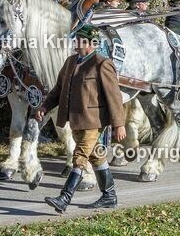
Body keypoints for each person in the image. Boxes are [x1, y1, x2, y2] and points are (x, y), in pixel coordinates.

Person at [36, 24, 126, 213]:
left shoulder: (102, 63)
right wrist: (45, 106)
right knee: (96, 157)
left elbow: (114, 96)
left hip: (93, 121)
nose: (75, 43)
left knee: (80, 156)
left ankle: (64, 198)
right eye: (75, 39)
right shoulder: (70, 62)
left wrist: (119, 124)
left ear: (90, 43)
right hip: (75, 119)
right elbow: (58, 89)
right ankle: (109, 196)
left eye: (79, 40)